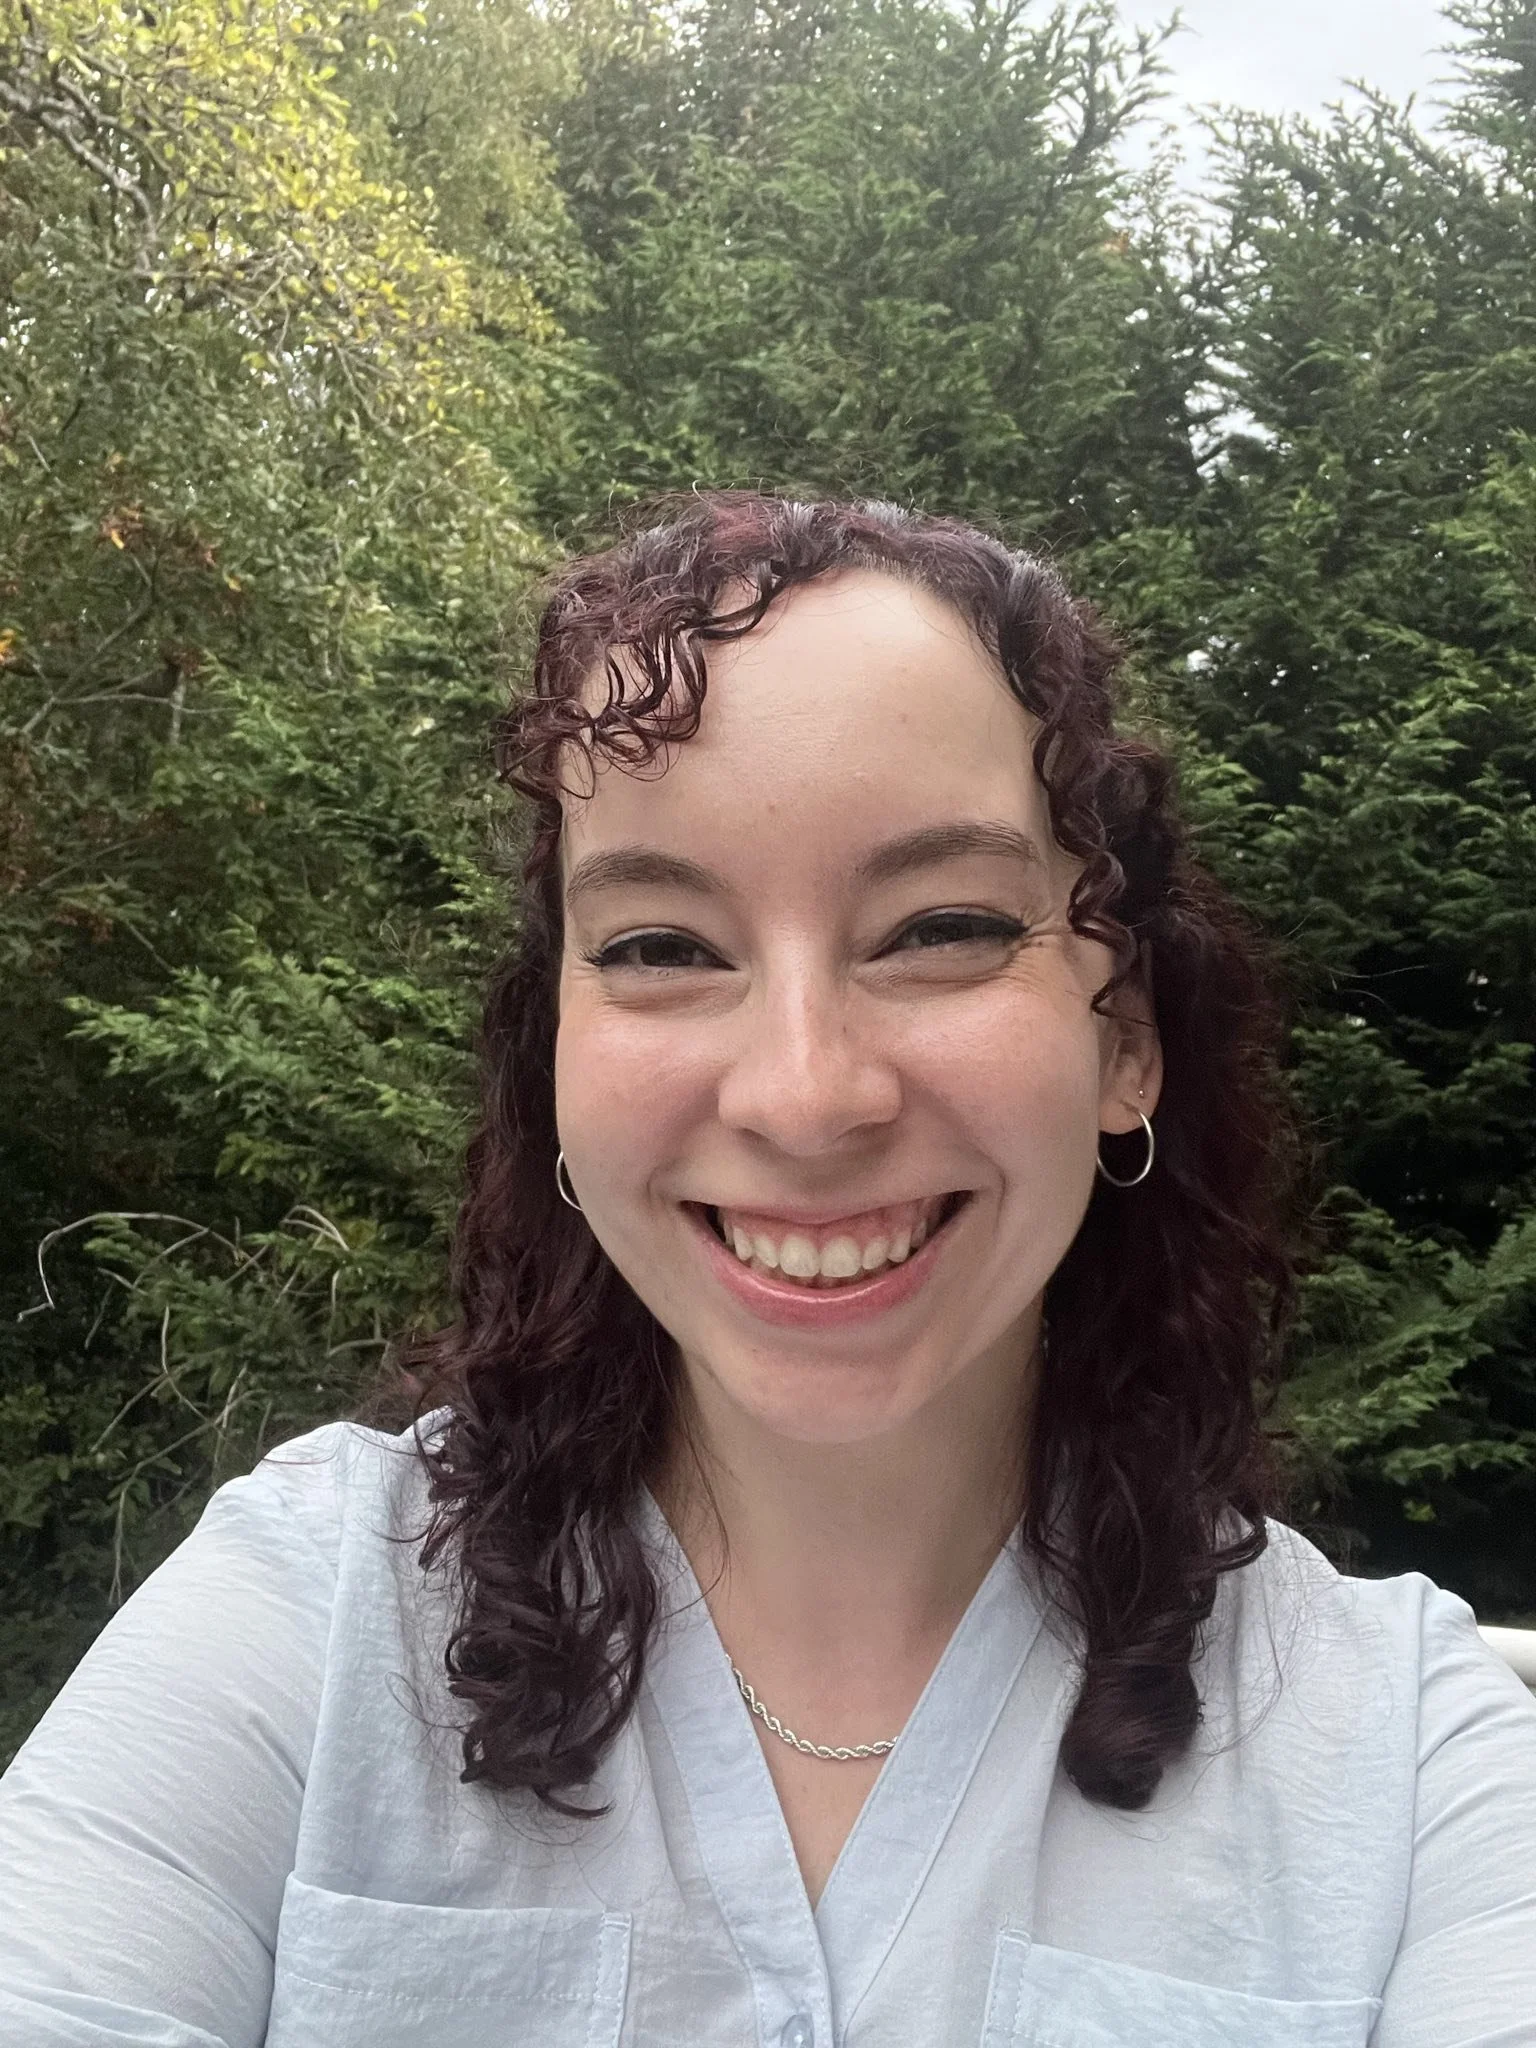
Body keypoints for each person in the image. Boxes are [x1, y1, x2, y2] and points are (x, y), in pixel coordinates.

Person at [1, 492, 1533, 2048]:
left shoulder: (1413, 1777)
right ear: (558, 1057)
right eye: (663, 946)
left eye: (938, 928)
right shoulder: (300, 1626)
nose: (803, 1098)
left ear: (1123, 1036)